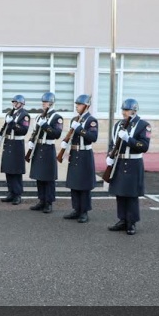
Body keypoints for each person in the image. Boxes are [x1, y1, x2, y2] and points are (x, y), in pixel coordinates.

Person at [107, 98, 151, 235]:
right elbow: (112, 143)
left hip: (133, 163)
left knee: (131, 195)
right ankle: (122, 219)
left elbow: (144, 146)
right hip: (119, 162)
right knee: (120, 193)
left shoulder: (143, 125)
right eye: (123, 110)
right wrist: (109, 156)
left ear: (134, 111)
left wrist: (129, 139)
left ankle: (131, 222)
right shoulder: (118, 125)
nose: (124, 113)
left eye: (126, 110)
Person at [61, 94, 98, 223]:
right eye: (76, 104)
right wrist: (66, 147)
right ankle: (76, 209)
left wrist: (80, 129)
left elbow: (93, 138)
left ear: (86, 106)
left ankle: (84, 211)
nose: (76, 106)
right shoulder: (75, 119)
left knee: (84, 184)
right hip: (75, 154)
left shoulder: (91, 120)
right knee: (74, 183)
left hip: (85, 154)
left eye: (79, 104)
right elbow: (72, 138)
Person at [28, 92, 63, 214]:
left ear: (51, 103)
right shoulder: (38, 117)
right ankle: (41, 200)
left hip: (48, 147)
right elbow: (34, 131)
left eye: (45, 102)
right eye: (43, 102)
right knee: (39, 176)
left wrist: (46, 126)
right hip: (38, 147)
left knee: (48, 177)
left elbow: (56, 134)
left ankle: (49, 202)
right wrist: (31, 142)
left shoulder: (56, 117)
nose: (43, 103)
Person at [0, 95, 30, 205]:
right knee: (8, 169)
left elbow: (23, 130)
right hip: (9, 143)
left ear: (22, 103)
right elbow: (5, 126)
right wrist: (0, 134)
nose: (14, 104)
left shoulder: (25, 115)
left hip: (17, 144)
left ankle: (17, 194)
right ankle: (11, 192)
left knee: (16, 171)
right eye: (13, 102)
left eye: (16, 102)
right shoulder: (10, 113)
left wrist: (12, 123)